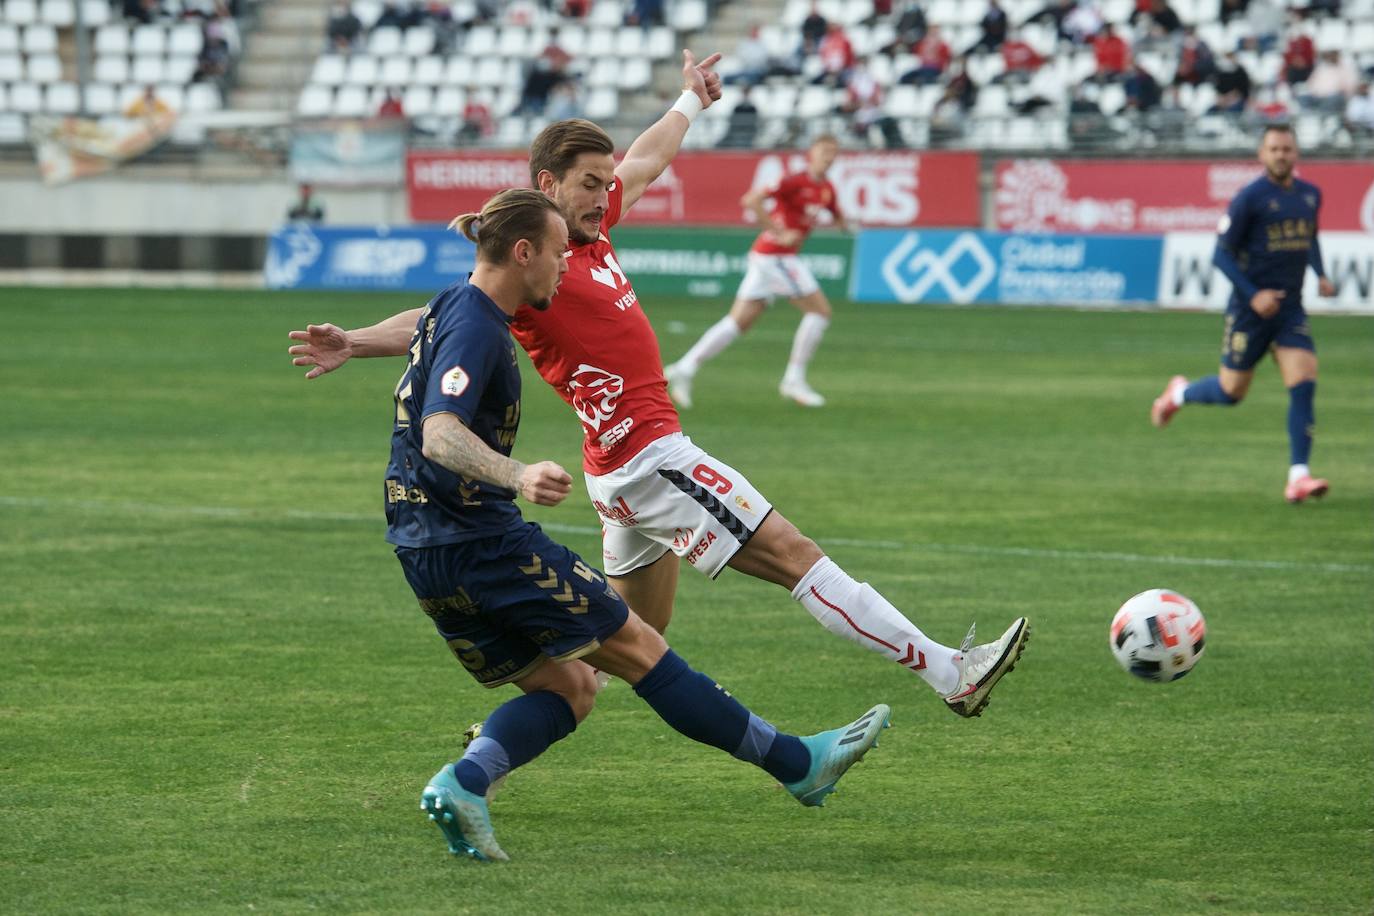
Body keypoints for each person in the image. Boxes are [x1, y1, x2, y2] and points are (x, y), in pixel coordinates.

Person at [289, 52, 1031, 720]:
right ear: (546, 185)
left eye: (603, 185)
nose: (603, 196)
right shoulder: (531, 265)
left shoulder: (586, 229)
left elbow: (645, 162)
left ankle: (502, 738)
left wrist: (690, 102)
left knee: (632, 638)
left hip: (618, 472)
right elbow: (442, 316)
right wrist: (354, 342)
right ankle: (948, 671)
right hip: (649, 459)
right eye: (587, 185)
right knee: (793, 554)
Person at [371, 187, 890, 861]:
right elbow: (440, 434)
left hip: (422, 555)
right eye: (559, 254)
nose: (566, 266)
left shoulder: (450, 306)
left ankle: (465, 782)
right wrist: (517, 474)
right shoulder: (476, 323)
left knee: (571, 687)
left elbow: (421, 373)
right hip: (486, 544)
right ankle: (799, 764)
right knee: (643, 652)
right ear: (523, 253)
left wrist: (349, 342)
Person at [1151, 124, 1336, 504]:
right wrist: (1252, 296)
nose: (1281, 155)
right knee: (1231, 391)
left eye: (1287, 148)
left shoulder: (1310, 195)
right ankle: (1179, 394)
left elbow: (1310, 237)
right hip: (1250, 313)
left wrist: (1320, 273)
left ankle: (1298, 477)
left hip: (1290, 309)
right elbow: (1221, 254)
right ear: (1261, 154)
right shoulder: (1249, 198)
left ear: (1296, 153)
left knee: (1304, 382)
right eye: (1274, 149)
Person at [665, 135, 848, 408]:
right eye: (824, 151)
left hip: (770, 258)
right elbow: (751, 200)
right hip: (776, 257)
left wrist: (845, 224)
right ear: (811, 153)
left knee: (737, 322)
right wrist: (777, 231)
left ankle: (684, 368)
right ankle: (793, 380)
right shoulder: (794, 180)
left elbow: (837, 216)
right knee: (819, 312)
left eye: (833, 152)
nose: (829, 157)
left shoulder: (827, 189)